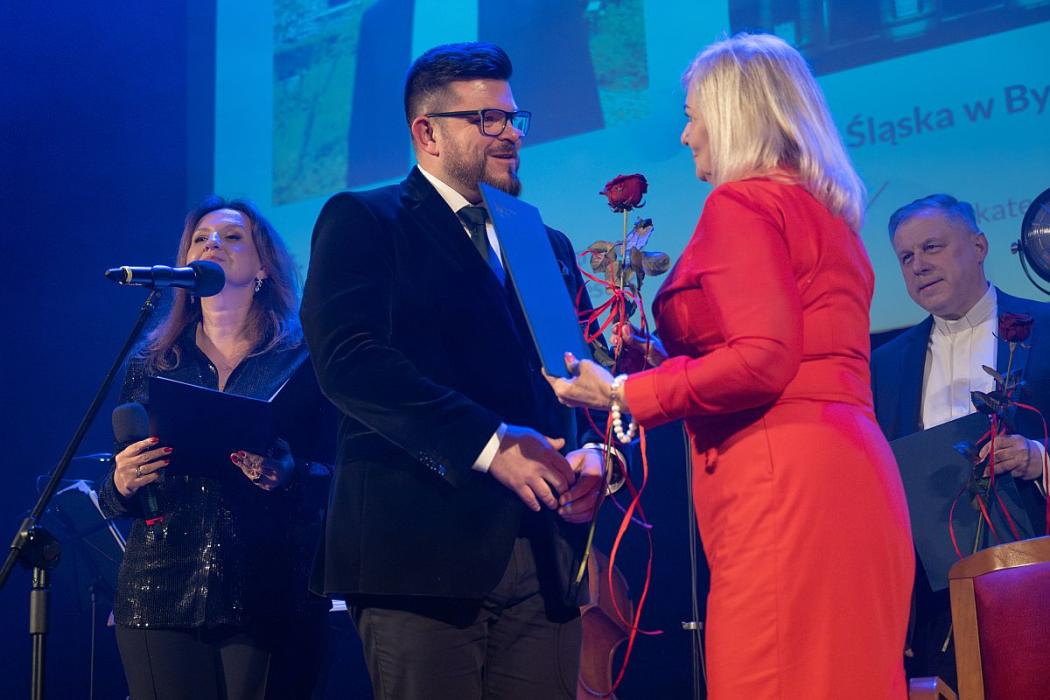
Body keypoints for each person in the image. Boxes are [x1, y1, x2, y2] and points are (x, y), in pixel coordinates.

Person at [546, 33, 914, 698]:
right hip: (849, 471)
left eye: (692, 116)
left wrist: (622, 393)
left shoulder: (742, 203)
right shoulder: (824, 211)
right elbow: (782, 345)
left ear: (733, 115)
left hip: (782, 484)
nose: (685, 135)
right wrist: (664, 361)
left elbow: (765, 361)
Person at [300, 42, 613, 700]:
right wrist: (490, 443)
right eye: (487, 120)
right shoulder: (365, 219)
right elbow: (349, 360)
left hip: (545, 553)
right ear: (428, 133)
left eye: (513, 118)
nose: (511, 135)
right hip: (419, 556)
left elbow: (579, 377)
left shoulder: (544, 241)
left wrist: (594, 456)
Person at [97, 197, 332, 700]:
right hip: (158, 587)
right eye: (201, 238)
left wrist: (290, 474)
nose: (213, 245)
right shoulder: (154, 361)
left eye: (232, 237)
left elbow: (337, 470)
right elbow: (117, 491)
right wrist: (122, 481)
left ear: (263, 266)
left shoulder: (303, 358)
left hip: (265, 586)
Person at [872, 193, 1049, 686]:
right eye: (906, 257)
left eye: (932, 247)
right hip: (936, 608)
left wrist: (1039, 459)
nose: (919, 266)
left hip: (1039, 584)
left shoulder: (1046, 329)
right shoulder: (885, 365)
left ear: (979, 246)